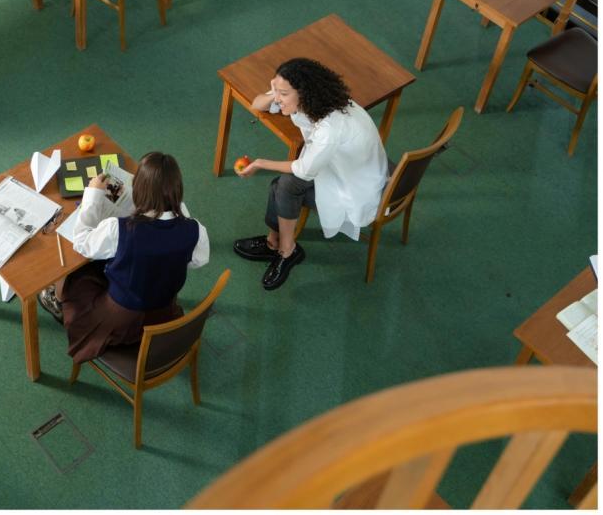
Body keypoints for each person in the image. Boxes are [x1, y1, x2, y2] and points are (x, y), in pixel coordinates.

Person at [39, 152, 209, 364]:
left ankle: (57, 301)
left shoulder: (118, 230)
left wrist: (92, 195)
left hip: (120, 320)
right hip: (163, 310)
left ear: (139, 190)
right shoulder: (196, 230)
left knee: (77, 277)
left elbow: (82, 243)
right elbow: (198, 261)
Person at [234, 57, 388, 290]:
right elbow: (257, 104)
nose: (278, 98)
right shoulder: (319, 100)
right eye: (277, 91)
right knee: (282, 186)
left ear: (303, 93)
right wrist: (275, 90)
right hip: (343, 168)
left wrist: (259, 163)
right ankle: (275, 243)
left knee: (282, 187)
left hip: (353, 187)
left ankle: (286, 250)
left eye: (284, 94)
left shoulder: (330, 129)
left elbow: (304, 170)